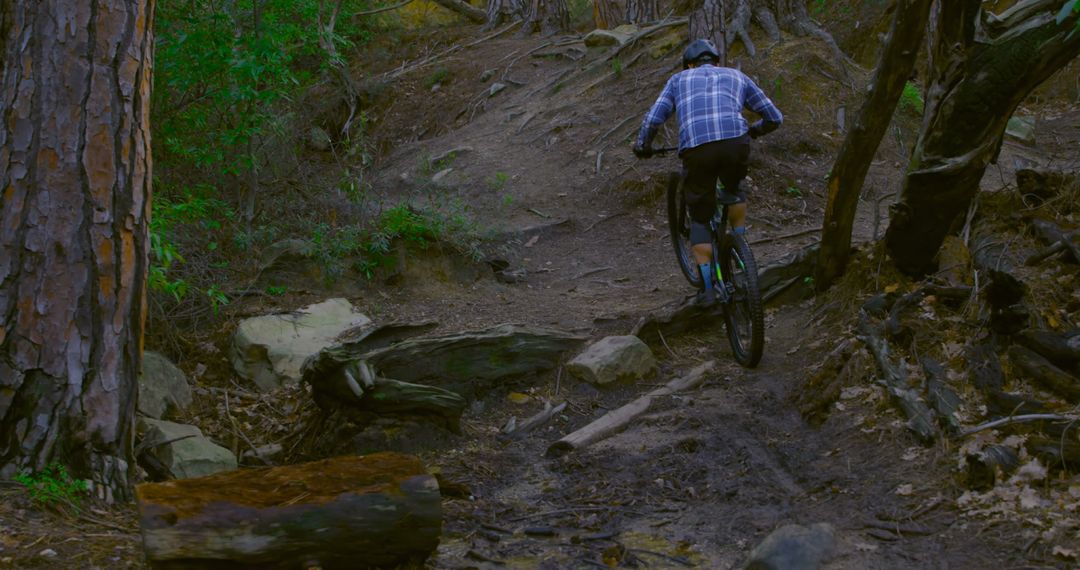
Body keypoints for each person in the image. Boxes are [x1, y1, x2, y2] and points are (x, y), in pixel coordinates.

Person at [633, 39, 782, 305]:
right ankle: (739, 248)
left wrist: (643, 145)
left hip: (698, 150)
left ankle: (707, 289)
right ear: (716, 61)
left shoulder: (679, 79)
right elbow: (774, 117)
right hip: (736, 143)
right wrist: (754, 131)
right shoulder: (737, 75)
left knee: (700, 217)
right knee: (734, 190)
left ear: (689, 64)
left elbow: (654, 118)